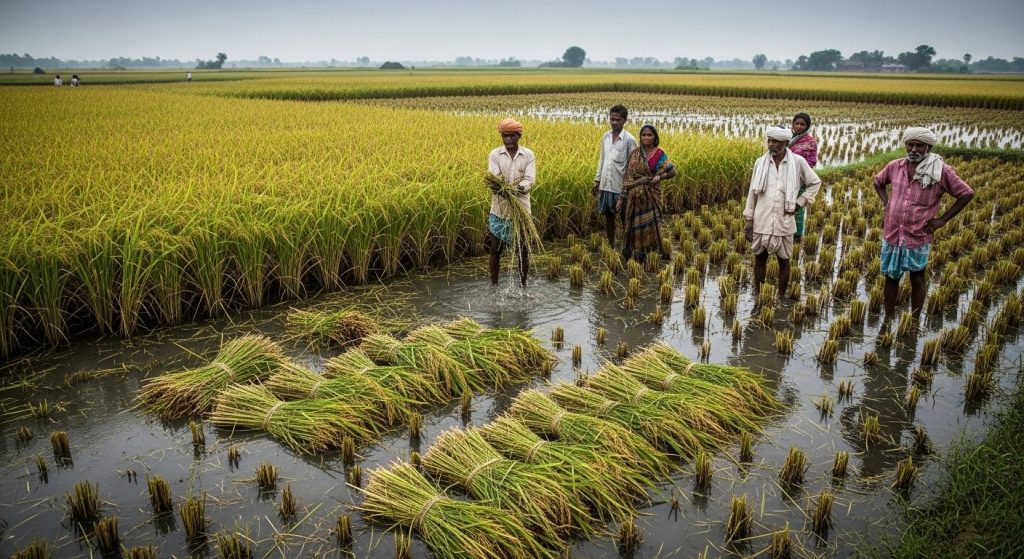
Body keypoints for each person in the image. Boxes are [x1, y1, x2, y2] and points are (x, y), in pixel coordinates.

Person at [874, 126, 974, 320]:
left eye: (919, 145)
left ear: (928, 147)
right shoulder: (896, 166)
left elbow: (966, 193)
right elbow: (878, 182)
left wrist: (943, 219)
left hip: (918, 235)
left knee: (917, 278)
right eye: (910, 145)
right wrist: (887, 203)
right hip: (893, 232)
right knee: (890, 277)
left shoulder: (941, 171)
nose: (914, 149)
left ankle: (914, 319)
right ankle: (888, 317)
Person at [743, 127, 822, 298]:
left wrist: (799, 203)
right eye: (769, 140)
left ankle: (781, 297)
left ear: (785, 142)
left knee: (784, 261)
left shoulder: (797, 162)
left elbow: (815, 182)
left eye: (775, 141)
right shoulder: (760, 162)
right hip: (761, 219)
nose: (770, 144)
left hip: (784, 220)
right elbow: (752, 192)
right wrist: (749, 219)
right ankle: (759, 295)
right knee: (759, 259)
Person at [486, 118, 536, 287]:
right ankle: (494, 285)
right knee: (495, 248)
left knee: (522, 250)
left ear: (519, 136)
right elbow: (495, 177)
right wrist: (503, 188)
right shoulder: (494, 154)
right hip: (499, 209)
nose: (508, 139)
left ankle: (523, 284)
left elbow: (529, 179)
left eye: (512, 136)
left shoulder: (528, 155)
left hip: (521, 210)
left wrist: (519, 189)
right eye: (505, 136)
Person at [618, 124, 675, 262]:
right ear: (640, 137)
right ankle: (636, 253)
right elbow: (628, 178)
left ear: (655, 137)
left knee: (651, 225)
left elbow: (672, 171)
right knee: (634, 225)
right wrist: (621, 198)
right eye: (644, 135)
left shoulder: (659, 154)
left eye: (649, 135)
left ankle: (652, 253)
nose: (646, 137)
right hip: (634, 198)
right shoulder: (634, 154)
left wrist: (660, 177)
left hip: (651, 196)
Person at [592, 104, 637, 246]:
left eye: (618, 120)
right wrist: (597, 179)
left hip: (621, 187)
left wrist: (626, 189)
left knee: (625, 217)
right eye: (612, 119)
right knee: (608, 217)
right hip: (606, 184)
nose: (614, 123)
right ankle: (611, 245)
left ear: (625, 120)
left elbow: (632, 167)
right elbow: (602, 159)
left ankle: (627, 246)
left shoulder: (630, 140)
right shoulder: (605, 136)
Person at [789, 112, 818, 242]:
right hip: (784, 178)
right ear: (793, 124)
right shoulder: (786, 138)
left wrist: (800, 170)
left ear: (807, 126)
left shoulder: (810, 142)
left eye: (802, 124)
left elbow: (812, 161)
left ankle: (797, 236)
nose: (799, 126)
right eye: (797, 123)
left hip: (800, 179)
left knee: (798, 209)